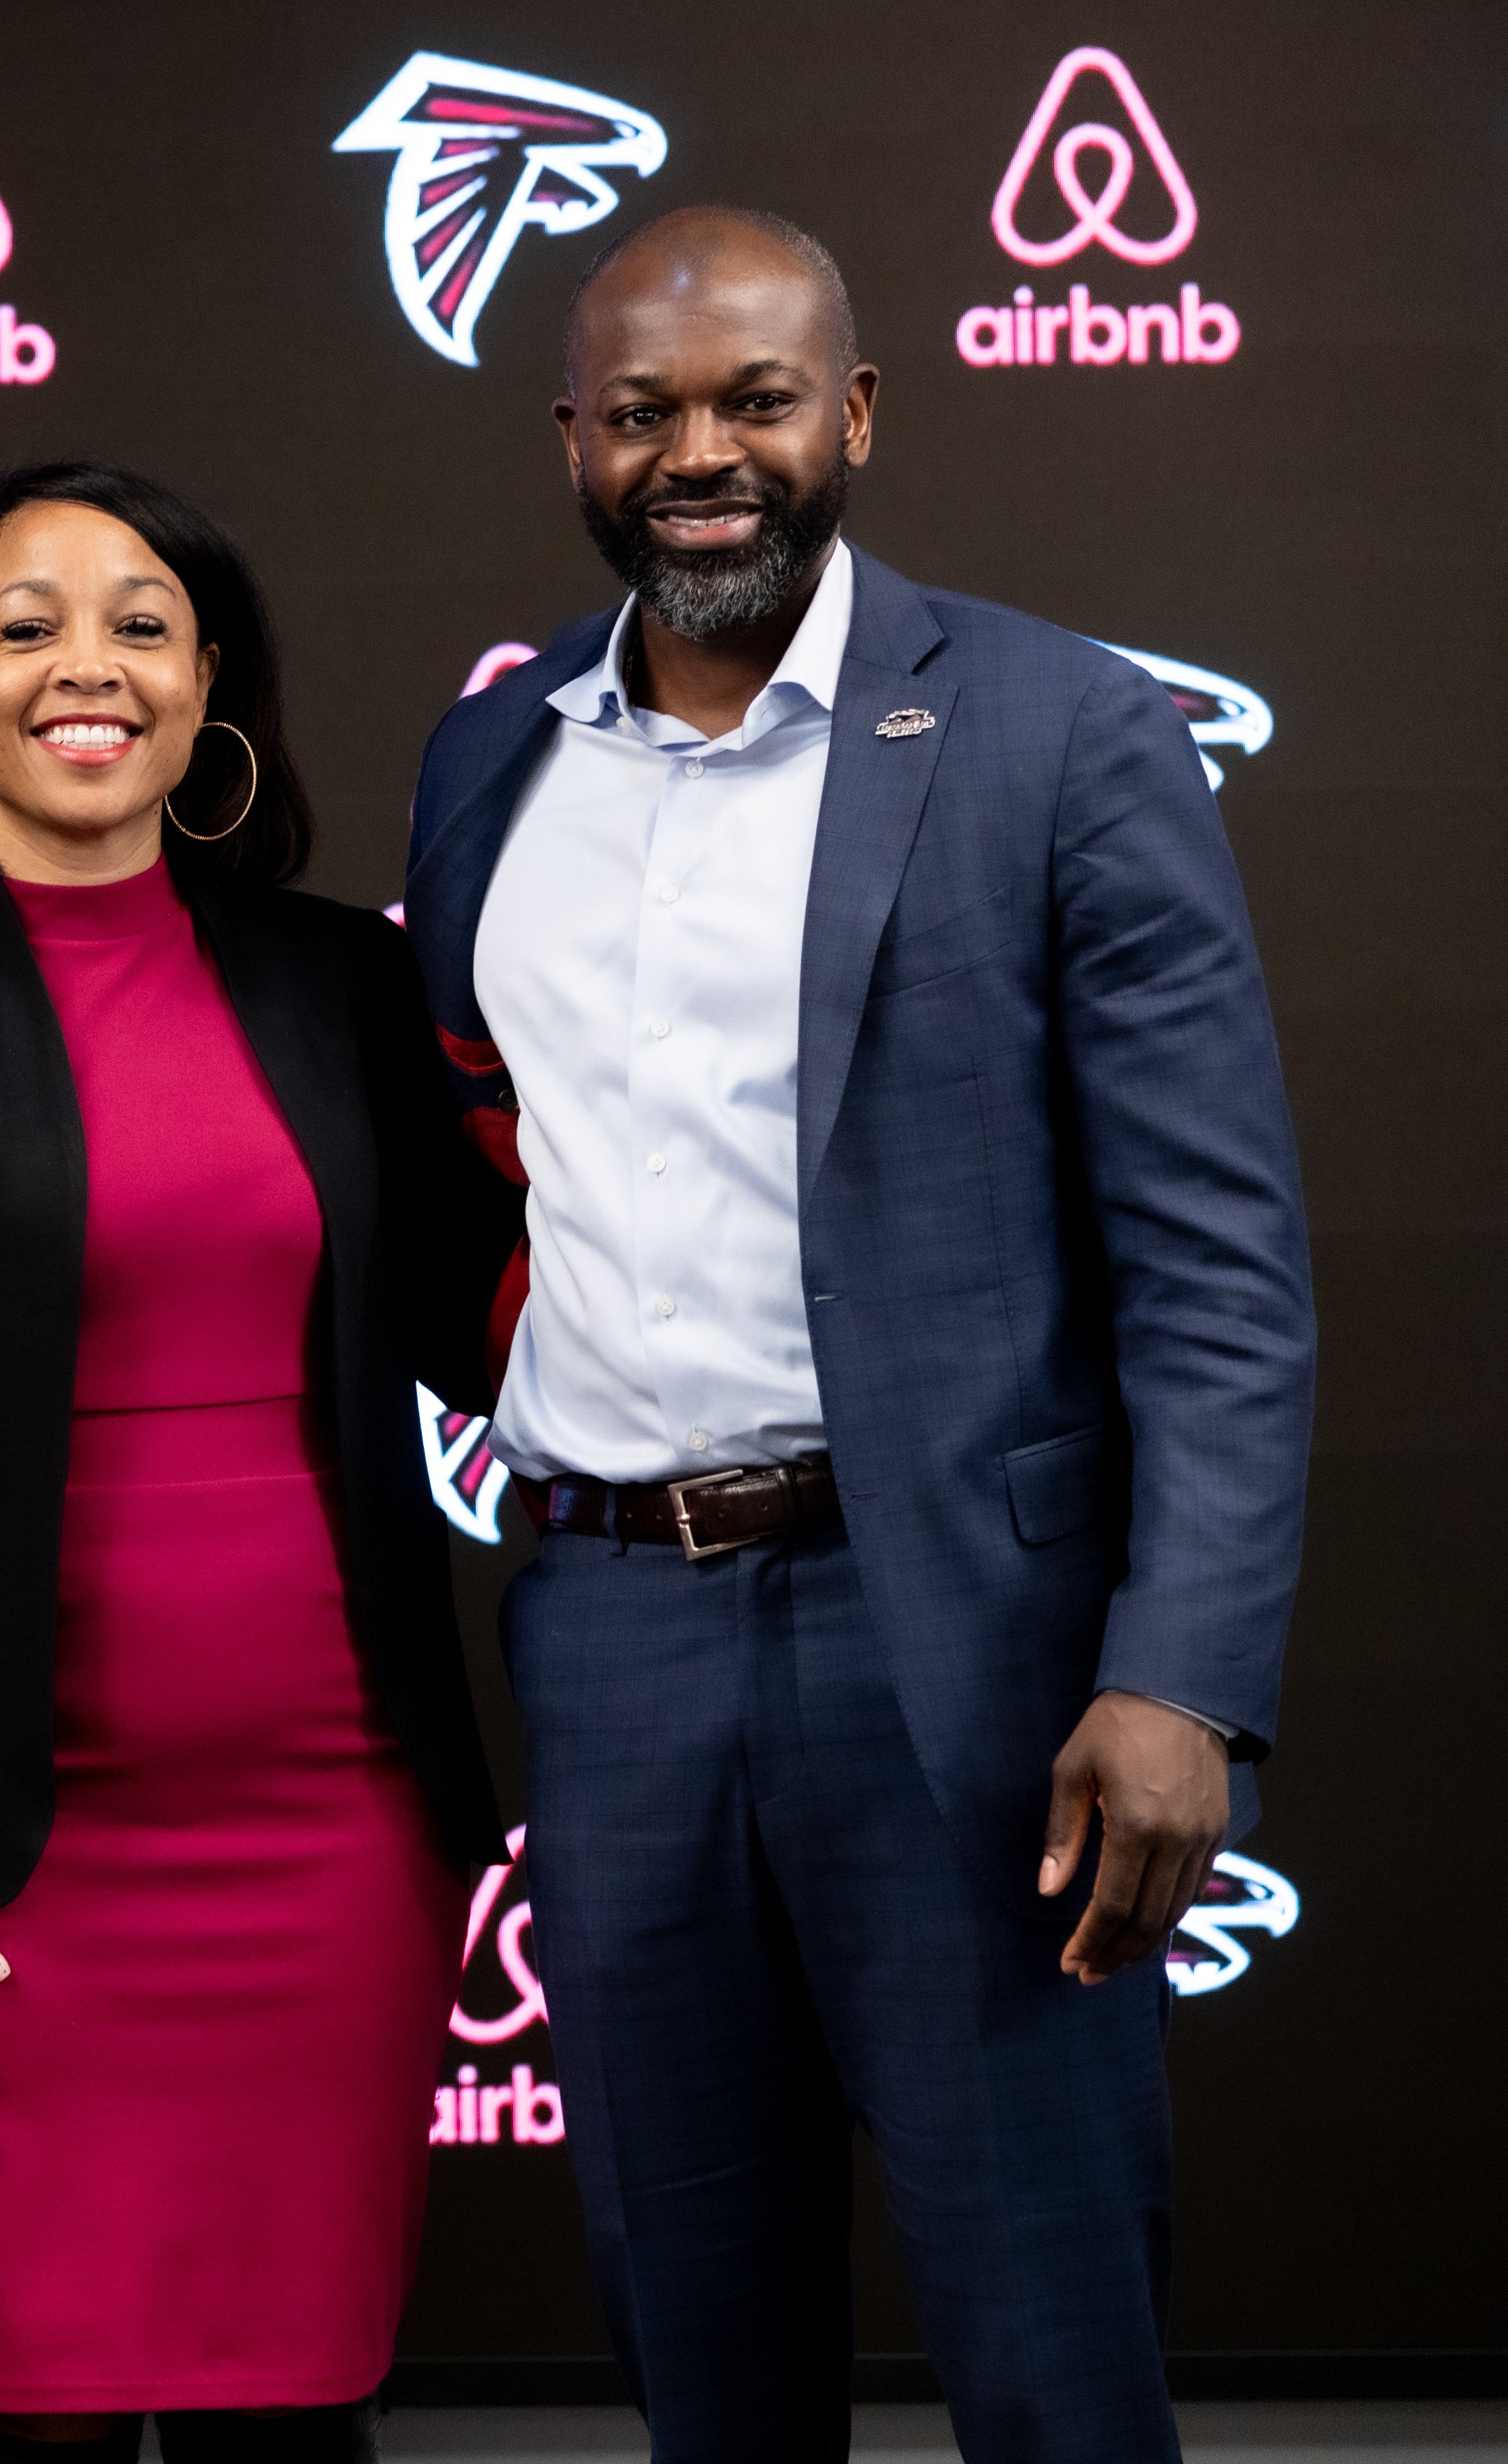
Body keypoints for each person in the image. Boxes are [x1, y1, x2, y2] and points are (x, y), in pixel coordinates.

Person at [402, 206, 1313, 2462]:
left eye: (755, 401)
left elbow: (1216, 1263)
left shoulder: (1065, 731)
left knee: (1048, 2357)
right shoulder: (494, 760)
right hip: (613, 1637)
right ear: (574, 441)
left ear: (859, 415)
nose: (700, 452)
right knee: (701, 2356)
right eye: (645, 413)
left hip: (969, 1662)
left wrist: (1178, 1670)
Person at [0, 464, 514, 2460]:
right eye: (28, 623)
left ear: (211, 679)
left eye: (143, 623)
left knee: (293, 2422)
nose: (92, 666)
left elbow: (494, 1321)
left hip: (334, 1838)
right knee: (13, 2417)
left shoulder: (343, 984)